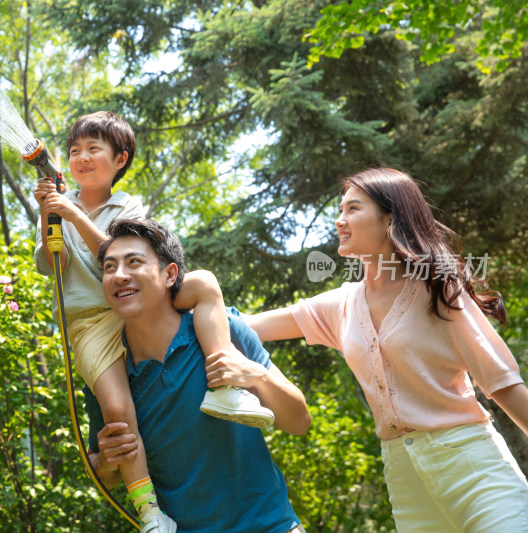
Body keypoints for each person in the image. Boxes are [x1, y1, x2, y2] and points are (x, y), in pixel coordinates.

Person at [245, 168, 528, 531]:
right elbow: (246, 325)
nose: (339, 220)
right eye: (340, 210)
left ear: (389, 219)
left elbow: (501, 381)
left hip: (471, 464)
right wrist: (182, 298)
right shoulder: (341, 305)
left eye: (352, 209)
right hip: (404, 478)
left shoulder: (437, 289)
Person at [33, 111, 273, 532]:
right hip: (90, 321)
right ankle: (150, 513)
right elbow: (53, 264)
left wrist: (73, 217)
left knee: (201, 282)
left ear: (120, 159)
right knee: (118, 411)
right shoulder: (60, 207)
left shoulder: (128, 207)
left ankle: (225, 386)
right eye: (74, 152)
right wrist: (47, 216)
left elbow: (112, 254)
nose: (82, 158)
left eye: (94, 149)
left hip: (138, 302)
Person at [87, 217, 311, 533]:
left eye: (134, 262)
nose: (119, 276)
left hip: (272, 526)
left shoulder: (225, 328)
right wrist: (109, 462)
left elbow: (298, 422)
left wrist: (255, 375)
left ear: (170, 275)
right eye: (109, 268)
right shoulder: (107, 373)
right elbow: (102, 472)